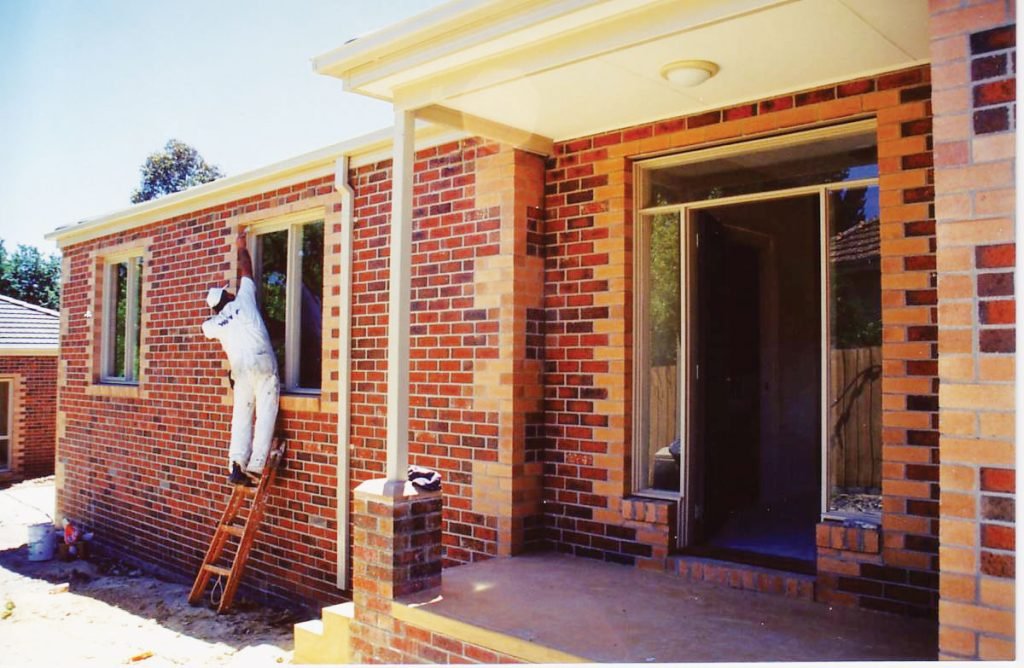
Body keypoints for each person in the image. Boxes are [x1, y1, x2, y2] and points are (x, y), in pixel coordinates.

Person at [202, 228, 280, 485]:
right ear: (229, 296)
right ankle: (257, 465)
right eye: (228, 292)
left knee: (242, 416)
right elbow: (247, 270)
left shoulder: (213, 323)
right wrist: (241, 246)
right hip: (262, 362)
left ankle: (236, 464)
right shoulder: (244, 299)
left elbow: (205, 327)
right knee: (266, 412)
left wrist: (215, 314)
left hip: (241, 371)